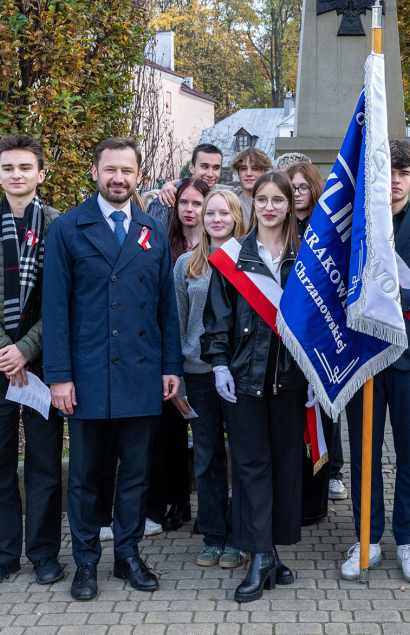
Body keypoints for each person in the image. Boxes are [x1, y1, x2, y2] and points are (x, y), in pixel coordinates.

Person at [43, 137, 183, 601]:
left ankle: (127, 555)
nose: (118, 178)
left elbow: (167, 308)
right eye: (110, 170)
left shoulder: (152, 229)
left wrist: (171, 366)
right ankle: (86, 562)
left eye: (126, 170)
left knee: (136, 474)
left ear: (138, 175)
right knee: (84, 476)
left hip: (141, 375)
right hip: (86, 375)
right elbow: (56, 309)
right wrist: (59, 376)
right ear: (95, 172)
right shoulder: (67, 228)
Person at [341, 141, 410, 583]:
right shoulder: (355, 227)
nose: (395, 180)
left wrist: (391, 298)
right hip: (363, 355)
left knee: (409, 456)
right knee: (363, 454)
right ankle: (366, 538)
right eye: (387, 172)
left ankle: (408, 541)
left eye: (403, 172)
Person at [0, 135, 65, 589]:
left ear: (41, 174)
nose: (16, 175)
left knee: (44, 461)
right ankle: (2, 554)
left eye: (25, 167)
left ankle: (42, 553)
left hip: (42, 363)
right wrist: (5, 349)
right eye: (8, 168)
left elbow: (63, 300)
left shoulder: (61, 226)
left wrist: (27, 349)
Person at [202, 169, 308, 603]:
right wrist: (219, 365)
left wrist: (320, 373)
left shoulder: (306, 255)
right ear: (253, 204)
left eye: (277, 200)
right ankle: (260, 555)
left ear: (288, 205)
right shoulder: (232, 256)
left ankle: (273, 550)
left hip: (291, 377)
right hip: (243, 379)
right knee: (250, 467)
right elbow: (217, 319)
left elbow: (319, 321)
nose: (269, 207)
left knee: (285, 464)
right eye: (261, 199)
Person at [175, 187, 247, 568]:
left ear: (237, 217)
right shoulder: (187, 265)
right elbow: (176, 323)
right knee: (206, 457)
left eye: (224, 213)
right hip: (198, 375)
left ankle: (239, 536)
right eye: (210, 213)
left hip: (241, 374)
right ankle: (213, 536)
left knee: (244, 455)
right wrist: (178, 379)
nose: (216, 219)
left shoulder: (249, 263)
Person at [147, 176, 209, 535]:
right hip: (166, 350)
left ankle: (208, 508)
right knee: (167, 433)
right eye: (183, 203)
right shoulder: (162, 241)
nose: (189, 209)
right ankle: (176, 500)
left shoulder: (220, 244)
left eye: (196, 204)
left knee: (204, 436)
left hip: (202, 357)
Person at [285, 160, 337, 523]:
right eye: (291, 189)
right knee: (291, 422)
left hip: (320, 338)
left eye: (302, 187)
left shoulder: (327, 230)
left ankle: (315, 503)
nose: (297, 194)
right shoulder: (276, 229)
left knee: (320, 418)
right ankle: (291, 497)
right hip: (286, 339)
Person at [147, 144, 223, 226]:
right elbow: (155, 237)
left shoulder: (219, 198)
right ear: (191, 168)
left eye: (216, 168)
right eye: (205, 166)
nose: (210, 174)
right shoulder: (166, 201)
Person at [231, 147, 273, 222]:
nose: (249, 174)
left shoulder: (274, 203)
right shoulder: (229, 200)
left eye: (255, 168)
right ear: (238, 173)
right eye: (244, 168)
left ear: (264, 172)